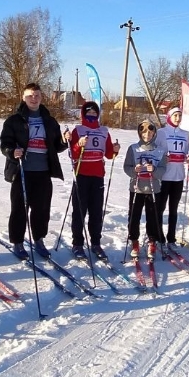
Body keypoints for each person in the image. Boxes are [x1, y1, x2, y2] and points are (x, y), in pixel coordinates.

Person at [0, 83, 67, 257]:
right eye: (30, 95)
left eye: (37, 95)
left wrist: (65, 141)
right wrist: (12, 151)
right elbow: (5, 143)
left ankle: (38, 239)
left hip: (43, 171)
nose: (34, 98)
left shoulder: (49, 120)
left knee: (42, 209)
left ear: (41, 97)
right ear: (23, 97)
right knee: (19, 208)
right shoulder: (14, 120)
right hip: (22, 171)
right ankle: (18, 242)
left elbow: (56, 146)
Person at [65, 101, 120, 259]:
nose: (91, 115)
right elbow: (72, 154)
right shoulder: (78, 130)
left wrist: (115, 149)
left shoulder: (104, 131)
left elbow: (109, 154)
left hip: (97, 176)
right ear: (83, 114)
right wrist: (78, 145)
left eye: (94, 113)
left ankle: (96, 243)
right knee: (80, 211)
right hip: (81, 175)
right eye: (88, 113)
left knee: (96, 212)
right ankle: (77, 244)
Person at [123, 120, 168, 259]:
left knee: (153, 217)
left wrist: (154, 169)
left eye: (150, 132)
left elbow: (163, 170)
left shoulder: (160, 150)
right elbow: (126, 167)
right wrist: (134, 170)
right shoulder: (133, 148)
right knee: (134, 216)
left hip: (154, 189)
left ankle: (152, 241)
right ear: (139, 133)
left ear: (154, 133)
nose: (147, 135)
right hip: (137, 188)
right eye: (143, 132)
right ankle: (134, 241)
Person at [155, 106, 189, 254]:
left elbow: (187, 151)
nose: (177, 118)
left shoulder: (185, 134)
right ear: (169, 116)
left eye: (180, 116)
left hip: (178, 176)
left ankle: (171, 238)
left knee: (174, 209)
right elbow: (154, 150)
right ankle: (159, 237)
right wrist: (162, 157)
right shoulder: (161, 132)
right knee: (160, 208)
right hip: (164, 176)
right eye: (175, 115)